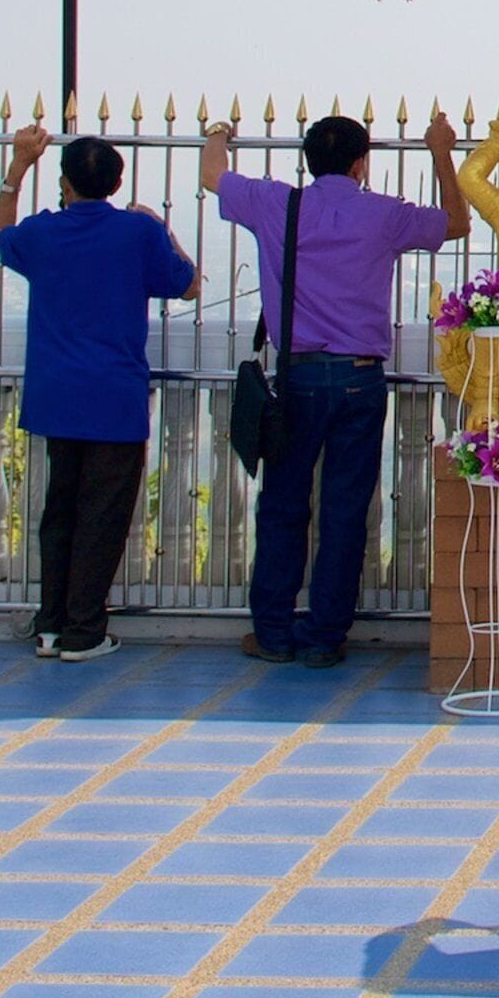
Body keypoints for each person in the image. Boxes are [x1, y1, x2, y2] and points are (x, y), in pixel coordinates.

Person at [204, 109, 464, 667]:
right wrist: (440, 149)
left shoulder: (276, 203)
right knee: (345, 510)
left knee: (282, 506)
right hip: (360, 377)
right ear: (360, 162)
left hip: (296, 375)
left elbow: (211, 176)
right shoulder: (383, 214)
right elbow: (456, 222)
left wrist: (217, 134)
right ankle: (325, 636)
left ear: (306, 160)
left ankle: (272, 632)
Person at [0, 127, 197, 663]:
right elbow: (188, 282)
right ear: (117, 181)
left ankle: (52, 623)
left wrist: (17, 169)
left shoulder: (43, 233)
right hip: (113, 396)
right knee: (102, 515)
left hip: (55, 393)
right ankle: (84, 630)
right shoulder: (135, 233)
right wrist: (159, 225)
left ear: (65, 182)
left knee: (59, 510)